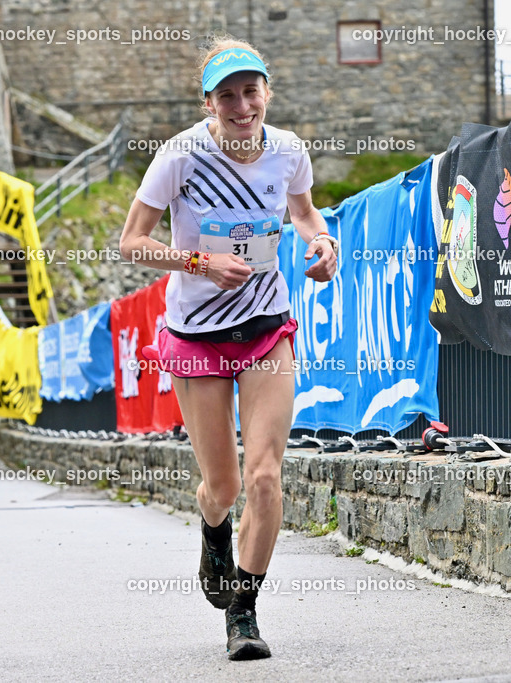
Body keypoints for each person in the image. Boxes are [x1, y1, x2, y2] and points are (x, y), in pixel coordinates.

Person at [119, 36, 338, 661]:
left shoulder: (289, 151)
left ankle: (243, 613)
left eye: (251, 91)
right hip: (196, 334)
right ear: (209, 102)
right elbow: (132, 242)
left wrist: (322, 244)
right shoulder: (180, 155)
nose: (242, 106)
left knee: (265, 479)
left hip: (267, 327)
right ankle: (214, 531)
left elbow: (304, 212)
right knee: (222, 485)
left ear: (267, 92)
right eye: (228, 96)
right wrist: (199, 261)